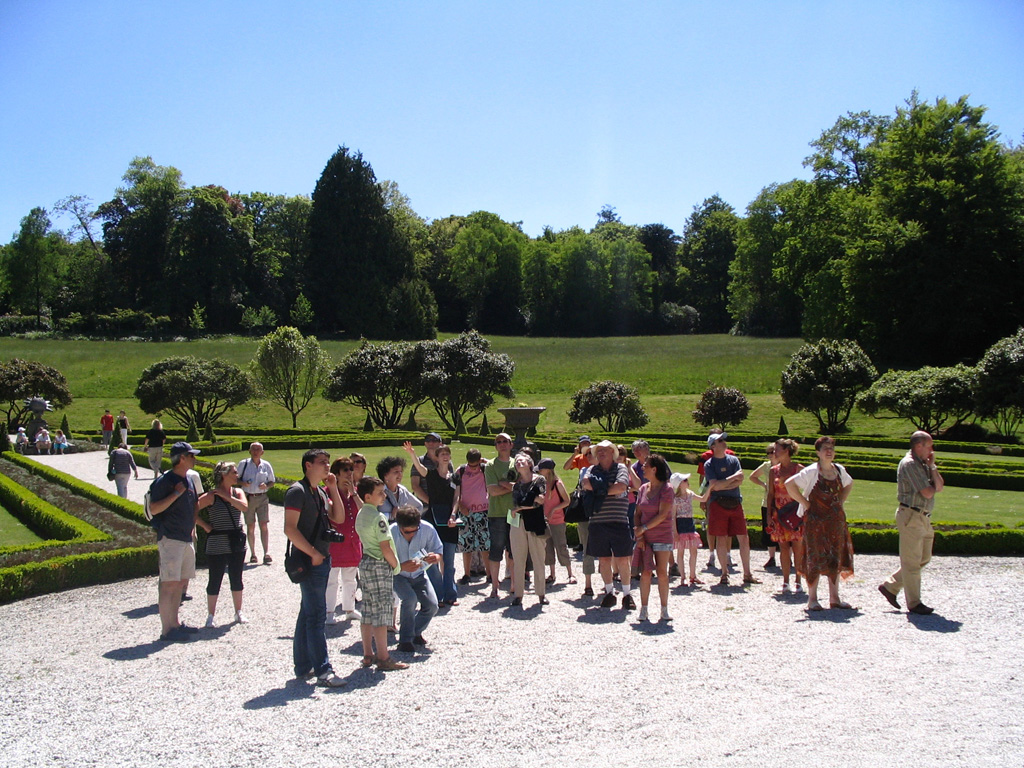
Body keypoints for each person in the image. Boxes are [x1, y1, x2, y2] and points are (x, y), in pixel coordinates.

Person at [283, 448, 347, 687]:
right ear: (308, 465)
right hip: (309, 559)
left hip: (320, 558)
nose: (327, 466)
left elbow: (338, 518)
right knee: (317, 615)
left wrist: (332, 488)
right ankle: (323, 670)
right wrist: (313, 554)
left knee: (308, 612)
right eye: (322, 462)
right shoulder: (296, 492)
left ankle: (302, 666)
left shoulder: (319, 491)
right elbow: (290, 529)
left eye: (328, 462)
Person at [785, 436, 855, 612]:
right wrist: (805, 503)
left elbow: (849, 484)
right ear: (818, 452)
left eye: (831, 447)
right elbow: (789, 484)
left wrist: (840, 501)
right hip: (815, 521)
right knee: (814, 557)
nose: (829, 451)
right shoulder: (811, 472)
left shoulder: (839, 470)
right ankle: (813, 599)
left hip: (836, 520)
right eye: (825, 448)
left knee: (836, 556)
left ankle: (834, 598)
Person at [879, 431, 945, 615]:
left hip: (923, 516)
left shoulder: (924, 464)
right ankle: (914, 603)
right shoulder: (910, 464)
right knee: (911, 563)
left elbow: (939, 486)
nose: (932, 449)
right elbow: (928, 492)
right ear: (919, 446)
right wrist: (932, 484)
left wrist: (932, 467)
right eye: (929, 445)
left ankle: (890, 586)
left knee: (923, 558)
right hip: (911, 515)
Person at [147, 442, 203, 642]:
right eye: (191, 456)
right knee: (169, 584)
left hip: (185, 537)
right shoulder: (166, 481)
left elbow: (196, 504)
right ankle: (166, 630)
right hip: (170, 537)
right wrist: (176, 494)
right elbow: (154, 509)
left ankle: (175, 623)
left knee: (179, 583)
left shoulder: (188, 479)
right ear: (181, 458)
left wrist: (193, 525)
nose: (194, 459)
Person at [354, 476, 408, 671]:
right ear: (368, 496)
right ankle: (384, 657)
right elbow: (385, 547)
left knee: (367, 609)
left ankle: (368, 653)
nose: (384, 495)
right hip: (379, 564)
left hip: (366, 562)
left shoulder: (361, 514)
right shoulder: (379, 517)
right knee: (382, 611)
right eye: (380, 493)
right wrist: (396, 566)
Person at [403, 440, 460, 606]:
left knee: (449, 562)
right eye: (442, 454)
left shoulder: (455, 477)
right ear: (437, 457)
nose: (445, 457)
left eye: (447, 454)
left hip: (449, 521)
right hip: (433, 519)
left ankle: (451, 594)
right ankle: (438, 595)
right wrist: (412, 454)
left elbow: (457, 497)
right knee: (432, 561)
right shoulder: (432, 475)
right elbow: (420, 469)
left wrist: (453, 515)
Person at [195, 461, 248, 627]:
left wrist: (225, 495)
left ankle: (238, 611)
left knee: (236, 577)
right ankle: (210, 615)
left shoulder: (237, 492)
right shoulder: (210, 496)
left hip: (236, 540)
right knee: (215, 578)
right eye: (233, 472)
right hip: (217, 540)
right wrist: (204, 525)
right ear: (224, 475)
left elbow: (244, 507)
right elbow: (190, 511)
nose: (237, 475)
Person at [584, 440, 634, 610]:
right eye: (599, 451)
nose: (601, 453)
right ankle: (609, 592)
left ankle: (627, 594)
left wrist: (599, 490)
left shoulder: (620, 468)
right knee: (604, 559)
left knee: (622, 559)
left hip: (618, 520)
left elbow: (621, 487)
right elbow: (585, 484)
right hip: (598, 521)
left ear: (612, 453)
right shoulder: (592, 469)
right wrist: (607, 489)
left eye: (605, 450)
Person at [704, 432, 760, 586]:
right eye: (720, 440)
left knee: (744, 537)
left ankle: (747, 573)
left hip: (735, 502)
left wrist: (723, 484)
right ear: (713, 446)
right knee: (721, 538)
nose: (724, 442)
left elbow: (739, 480)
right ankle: (724, 573)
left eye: (723, 440)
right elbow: (715, 485)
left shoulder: (734, 460)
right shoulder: (709, 464)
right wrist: (731, 479)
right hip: (718, 504)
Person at [390, 505, 442, 653]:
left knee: (432, 606)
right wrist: (402, 566)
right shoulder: (390, 532)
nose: (411, 534)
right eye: (407, 532)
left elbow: (438, 551)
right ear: (399, 526)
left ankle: (414, 632)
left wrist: (435, 558)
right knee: (410, 599)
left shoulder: (428, 529)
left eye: (415, 530)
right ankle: (405, 641)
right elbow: (383, 561)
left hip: (419, 575)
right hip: (397, 575)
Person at [633, 453, 675, 621]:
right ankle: (644, 609)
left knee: (662, 573)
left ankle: (664, 609)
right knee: (645, 573)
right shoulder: (643, 488)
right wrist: (639, 533)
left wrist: (643, 528)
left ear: (654, 469)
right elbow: (637, 513)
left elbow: (663, 514)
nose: (642, 468)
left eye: (645, 466)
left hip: (662, 535)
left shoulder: (667, 489)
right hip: (645, 537)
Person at [509, 452, 549, 607]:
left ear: (530, 463)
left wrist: (522, 506)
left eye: (522, 460)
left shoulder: (539, 479)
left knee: (539, 558)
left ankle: (541, 594)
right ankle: (518, 594)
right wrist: (529, 501)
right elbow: (517, 504)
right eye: (517, 461)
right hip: (517, 523)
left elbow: (541, 500)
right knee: (518, 559)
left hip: (536, 521)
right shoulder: (517, 485)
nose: (519, 463)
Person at [325, 457, 363, 624]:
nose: (349, 473)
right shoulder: (327, 492)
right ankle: (329, 612)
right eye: (346, 470)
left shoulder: (355, 491)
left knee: (350, 579)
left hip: (353, 542)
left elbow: (364, 510)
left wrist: (354, 494)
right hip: (334, 542)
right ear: (337, 474)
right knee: (331, 580)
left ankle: (349, 609)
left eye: (351, 470)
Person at [765, 439, 805, 593]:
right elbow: (771, 494)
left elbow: (809, 489)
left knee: (797, 548)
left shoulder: (799, 469)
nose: (774, 453)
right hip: (779, 513)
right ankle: (786, 580)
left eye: (777, 450)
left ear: (787, 451)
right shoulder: (773, 470)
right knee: (783, 548)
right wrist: (769, 514)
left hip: (795, 513)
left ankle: (798, 580)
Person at [484, 433, 516, 599]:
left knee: (514, 551)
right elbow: (492, 491)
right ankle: (495, 586)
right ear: (495, 446)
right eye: (499, 442)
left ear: (511, 444)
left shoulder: (517, 464)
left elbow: (522, 488)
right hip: (496, 514)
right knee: (496, 550)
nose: (502, 444)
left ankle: (513, 585)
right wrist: (512, 487)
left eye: (505, 441)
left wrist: (504, 485)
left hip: (515, 513)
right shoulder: (490, 465)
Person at [453, 448, 490, 585]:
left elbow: (498, 466)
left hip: (483, 511)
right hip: (466, 512)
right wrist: (461, 505)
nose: (473, 468)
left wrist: (485, 461)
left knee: (485, 545)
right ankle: (467, 574)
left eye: (475, 465)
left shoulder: (485, 469)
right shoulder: (461, 470)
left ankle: (490, 574)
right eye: (471, 464)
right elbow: (454, 489)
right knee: (466, 545)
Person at [237, 442, 276, 565]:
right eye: (253, 449)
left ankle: (266, 553)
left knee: (264, 525)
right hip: (248, 497)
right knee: (251, 526)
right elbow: (235, 479)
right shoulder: (243, 464)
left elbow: (272, 481)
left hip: (262, 497)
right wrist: (243, 484)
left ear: (262, 452)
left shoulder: (266, 465)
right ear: (249, 451)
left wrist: (266, 485)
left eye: (258, 449)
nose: (255, 451)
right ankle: (253, 554)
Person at [537, 458, 574, 586]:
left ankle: (570, 573)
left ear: (548, 470)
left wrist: (554, 509)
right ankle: (552, 574)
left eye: (541, 468)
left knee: (561, 546)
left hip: (558, 520)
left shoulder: (557, 484)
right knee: (548, 548)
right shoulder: (541, 483)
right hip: (545, 520)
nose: (539, 471)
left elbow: (567, 501)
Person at [670, 473, 708, 586]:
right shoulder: (676, 499)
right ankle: (683, 577)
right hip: (681, 524)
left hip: (690, 523)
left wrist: (710, 487)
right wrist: (675, 532)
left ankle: (693, 575)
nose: (687, 482)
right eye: (685, 480)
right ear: (680, 484)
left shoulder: (690, 494)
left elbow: (703, 498)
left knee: (693, 551)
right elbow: (673, 517)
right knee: (680, 552)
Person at [748, 443, 779, 569]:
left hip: (782, 502)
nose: (770, 455)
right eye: (769, 453)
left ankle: (788, 558)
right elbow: (752, 476)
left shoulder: (785, 466)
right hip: (767, 502)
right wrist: (764, 485)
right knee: (768, 530)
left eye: (772, 452)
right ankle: (771, 557)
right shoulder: (766, 466)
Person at [376, 455, 423, 521]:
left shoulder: (403, 491)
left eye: (401, 471)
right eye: (396, 472)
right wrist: (390, 515)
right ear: (385, 475)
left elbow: (419, 506)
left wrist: (409, 519)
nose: (400, 474)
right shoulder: (377, 492)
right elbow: (372, 515)